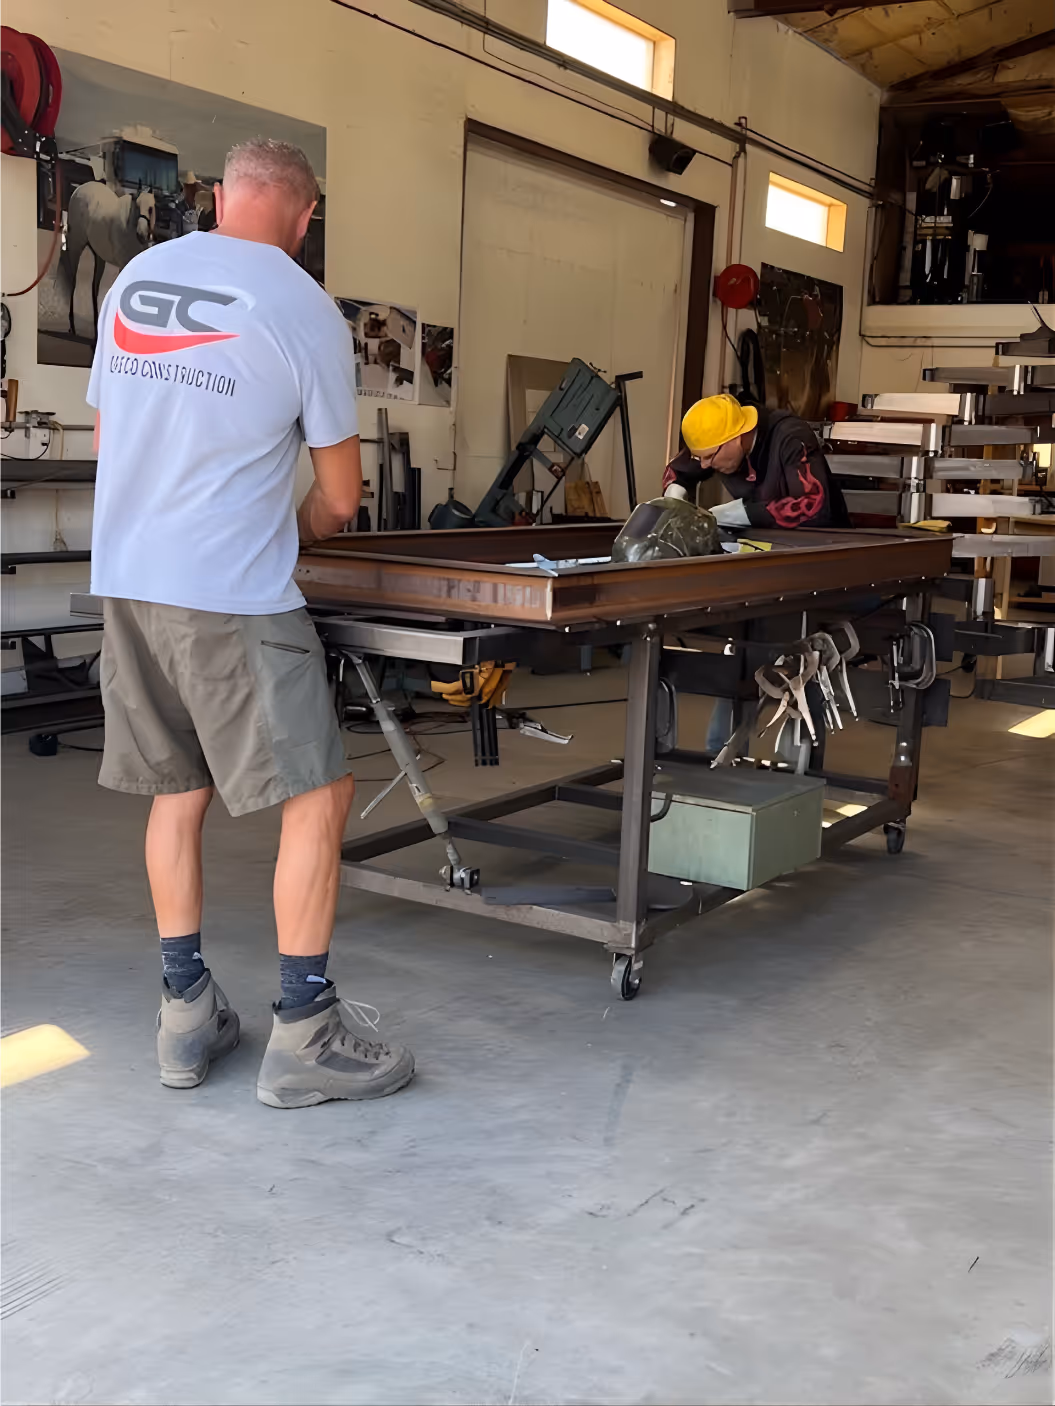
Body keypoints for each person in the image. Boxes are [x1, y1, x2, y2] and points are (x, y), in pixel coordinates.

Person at [88, 138, 414, 1108]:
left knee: (176, 786)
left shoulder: (137, 279)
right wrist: (292, 525)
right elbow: (343, 498)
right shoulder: (303, 306)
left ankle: (184, 1013)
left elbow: (113, 439)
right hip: (230, 588)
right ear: (305, 219)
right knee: (317, 790)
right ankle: (305, 1029)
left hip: (128, 576)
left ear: (219, 197)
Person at [664, 393, 850, 755]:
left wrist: (744, 513)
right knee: (743, 657)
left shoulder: (791, 438)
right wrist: (673, 498)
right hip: (759, 565)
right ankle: (721, 755)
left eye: (711, 457)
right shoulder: (717, 444)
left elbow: (814, 506)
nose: (705, 464)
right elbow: (682, 468)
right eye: (701, 457)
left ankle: (799, 769)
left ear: (736, 437)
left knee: (802, 661)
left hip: (815, 563)